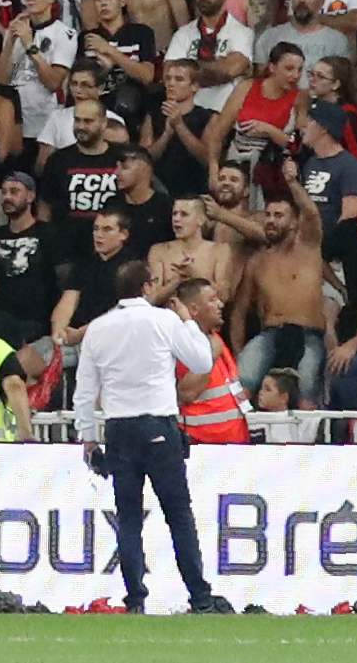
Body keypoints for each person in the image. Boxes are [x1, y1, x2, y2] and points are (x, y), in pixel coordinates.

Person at [69, 257, 228, 614]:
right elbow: (202, 362)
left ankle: (135, 598)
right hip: (158, 425)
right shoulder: (165, 320)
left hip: (119, 428)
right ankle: (199, 596)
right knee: (178, 514)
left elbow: (84, 391)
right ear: (146, 286)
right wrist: (187, 320)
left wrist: (89, 438)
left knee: (128, 517)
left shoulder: (99, 328)